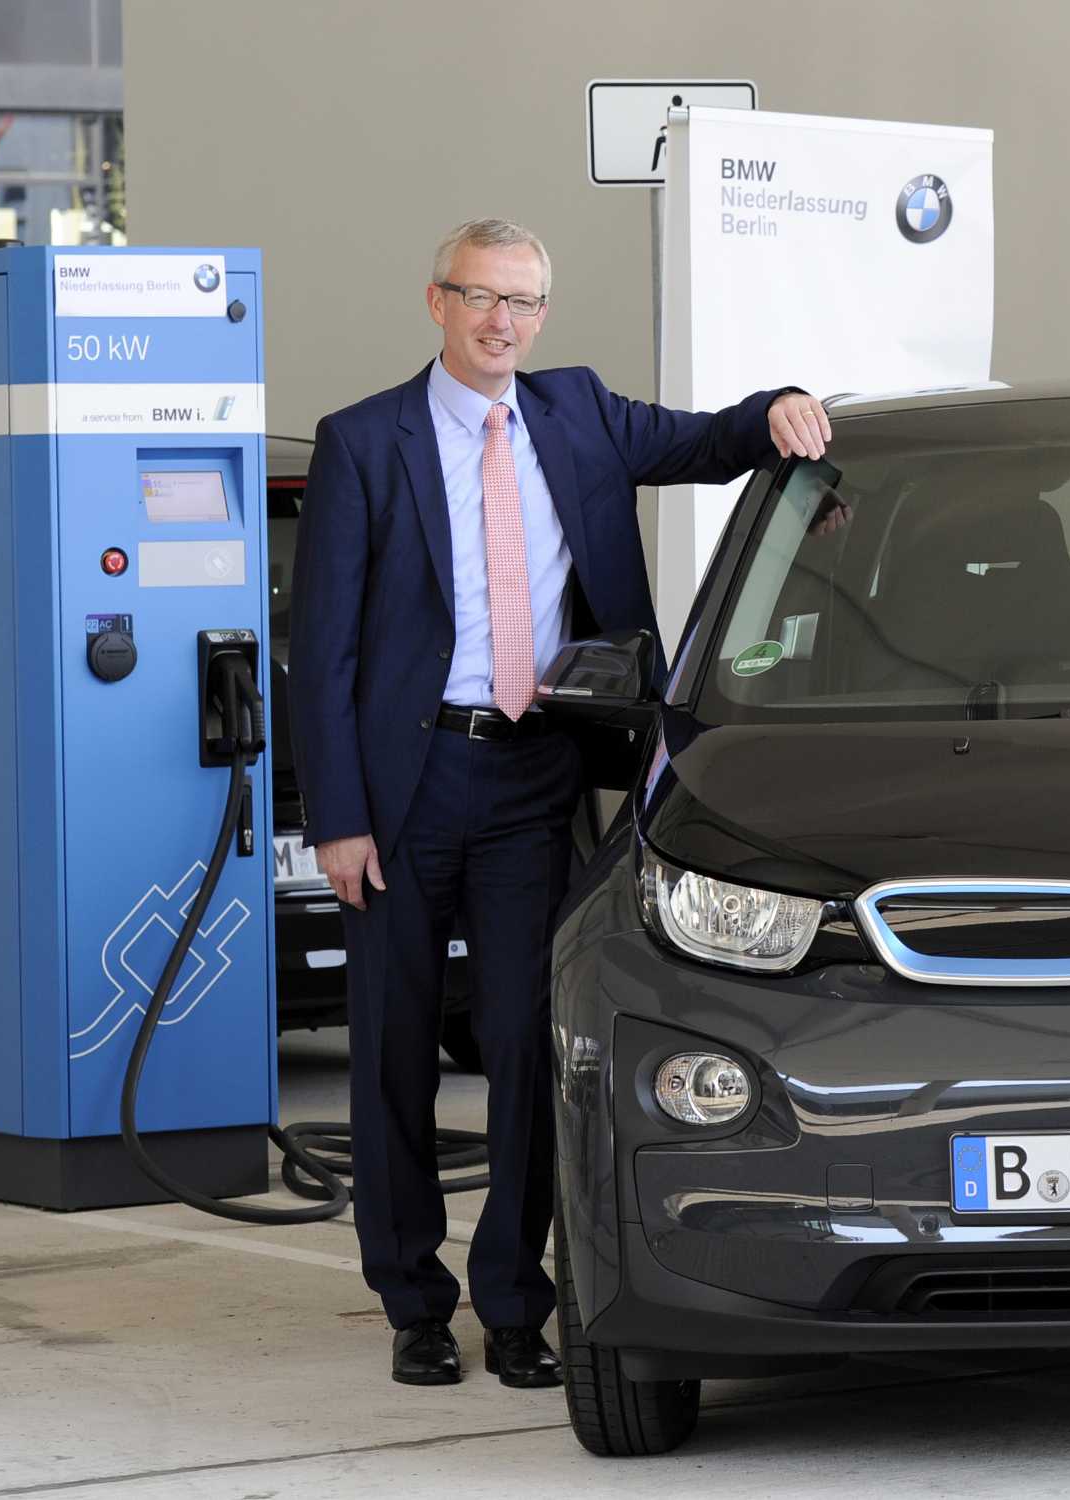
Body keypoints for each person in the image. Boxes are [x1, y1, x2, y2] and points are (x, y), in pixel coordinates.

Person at [290, 218, 830, 1387]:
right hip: (404, 784)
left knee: (529, 1047)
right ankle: (413, 1303)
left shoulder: (576, 411)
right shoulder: (365, 441)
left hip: (532, 776)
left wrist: (779, 408)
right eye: (482, 297)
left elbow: (706, 441)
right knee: (391, 1052)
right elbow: (322, 649)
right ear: (437, 301)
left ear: (542, 314)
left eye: (523, 302)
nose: (503, 323)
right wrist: (336, 816)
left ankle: (514, 1305)